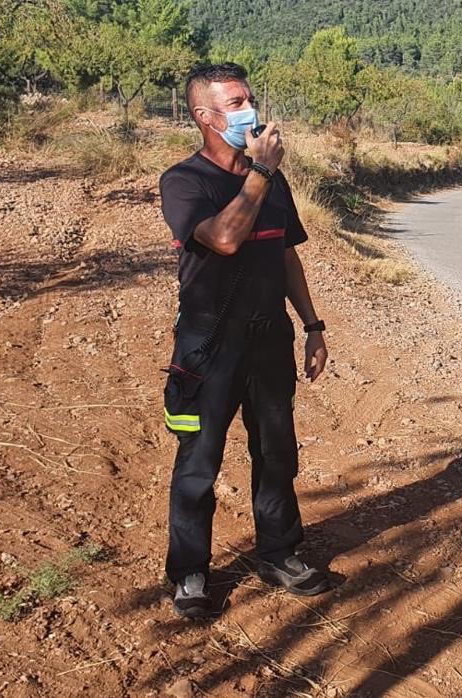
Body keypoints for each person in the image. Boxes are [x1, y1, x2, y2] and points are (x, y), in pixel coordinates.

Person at [158, 63, 331, 618]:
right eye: (234, 104)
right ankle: (189, 573)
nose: (248, 111)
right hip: (209, 344)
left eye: (248, 99)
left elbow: (286, 255)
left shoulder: (273, 181)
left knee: (277, 452)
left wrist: (312, 326)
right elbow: (225, 239)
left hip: (269, 339)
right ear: (203, 117)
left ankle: (279, 552)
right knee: (199, 462)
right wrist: (259, 171)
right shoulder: (185, 182)